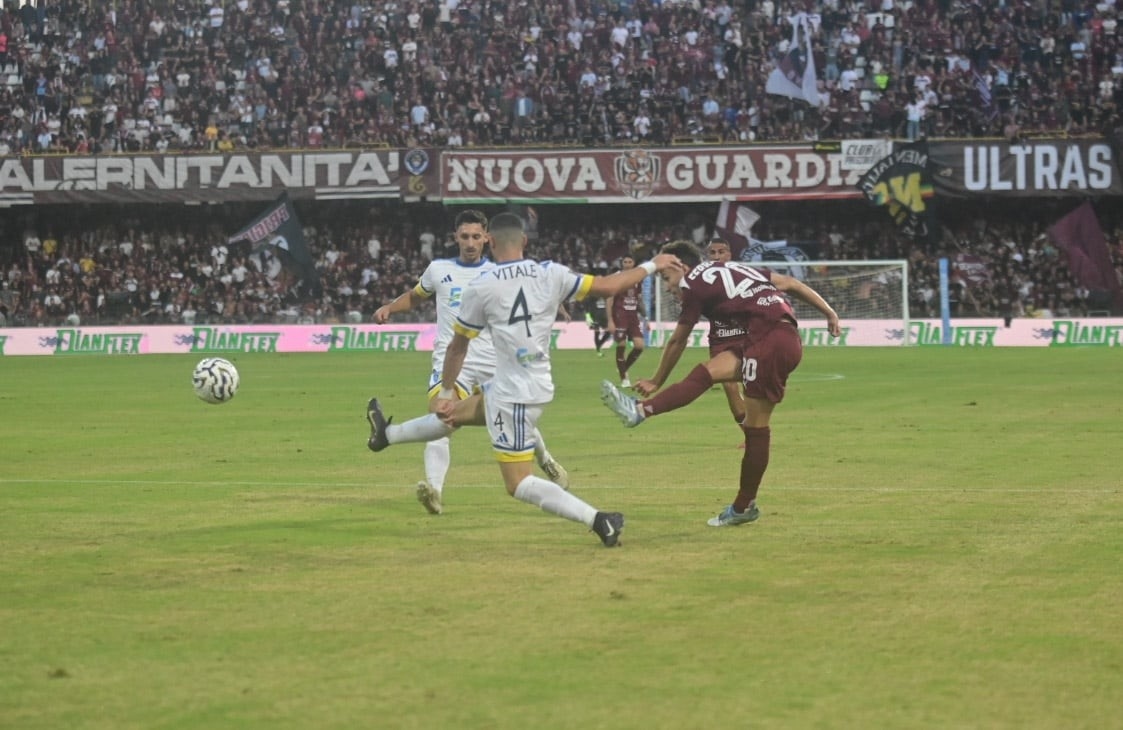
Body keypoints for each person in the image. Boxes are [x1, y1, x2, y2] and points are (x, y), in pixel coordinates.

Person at [366, 212, 686, 547]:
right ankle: (385, 435)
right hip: (531, 383)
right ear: (525, 241)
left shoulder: (482, 286)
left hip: (512, 394)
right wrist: (652, 264)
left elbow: (457, 347)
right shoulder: (551, 272)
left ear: (489, 240)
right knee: (450, 417)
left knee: (518, 483)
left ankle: (599, 520)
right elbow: (609, 285)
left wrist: (446, 389)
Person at [599, 240, 841, 527]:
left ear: (680, 265)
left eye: (665, 276)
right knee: (707, 372)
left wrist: (656, 379)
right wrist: (829, 312)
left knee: (756, 429)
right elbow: (790, 283)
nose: (666, 285)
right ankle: (640, 410)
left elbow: (678, 340)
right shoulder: (734, 269)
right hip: (765, 337)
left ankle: (743, 507)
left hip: (770, 341)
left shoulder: (692, 283)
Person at [372, 209, 569, 516]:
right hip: (453, 360)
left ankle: (545, 459)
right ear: (455, 237)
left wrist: (555, 307)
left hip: (495, 359)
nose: (470, 242)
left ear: (487, 238)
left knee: (515, 416)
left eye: (476, 236)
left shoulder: (499, 272)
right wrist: (390, 307)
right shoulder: (438, 269)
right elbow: (415, 296)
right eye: (464, 236)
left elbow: (529, 297)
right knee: (441, 418)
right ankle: (434, 490)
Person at [702, 239, 748, 438]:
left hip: (744, 335)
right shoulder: (702, 282)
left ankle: (757, 431)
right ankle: (748, 435)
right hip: (720, 338)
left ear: (730, 254)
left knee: (751, 385)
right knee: (729, 387)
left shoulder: (744, 276)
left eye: (721, 252)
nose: (717, 256)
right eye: (712, 253)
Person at [605, 254, 646, 387]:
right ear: (622, 264)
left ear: (634, 263)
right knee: (621, 345)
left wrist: (645, 317)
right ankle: (624, 379)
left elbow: (638, 299)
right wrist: (610, 320)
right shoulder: (616, 278)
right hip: (620, 315)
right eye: (625, 262)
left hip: (633, 316)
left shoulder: (638, 278)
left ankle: (623, 369)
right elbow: (609, 299)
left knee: (639, 346)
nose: (627, 264)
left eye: (630, 262)